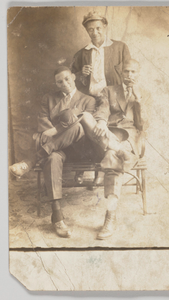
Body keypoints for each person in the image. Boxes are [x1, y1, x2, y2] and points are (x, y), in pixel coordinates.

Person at [9, 66, 135, 239]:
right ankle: (57, 217)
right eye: (59, 82)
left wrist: (61, 126)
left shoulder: (88, 99)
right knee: (53, 157)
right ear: (55, 83)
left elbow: (85, 128)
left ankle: (31, 160)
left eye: (67, 79)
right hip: (57, 149)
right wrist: (62, 128)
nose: (64, 84)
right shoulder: (49, 98)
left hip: (83, 148)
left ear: (74, 77)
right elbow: (43, 125)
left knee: (78, 125)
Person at [94, 59, 152, 240]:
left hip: (131, 137)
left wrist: (139, 100)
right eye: (126, 71)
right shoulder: (109, 90)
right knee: (114, 155)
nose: (129, 75)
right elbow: (102, 109)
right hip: (110, 134)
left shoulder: (145, 94)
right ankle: (110, 216)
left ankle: (110, 215)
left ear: (138, 73)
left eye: (133, 72)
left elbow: (144, 126)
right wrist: (102, 121)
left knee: (113, 156)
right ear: (121, 73)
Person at [71, 11, 131, 98]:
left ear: (105, 26)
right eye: (90, 30)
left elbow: (131, 75)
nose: (95, 33)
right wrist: (81, 74)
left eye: (98, 28)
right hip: (89, 99)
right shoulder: (80, 54)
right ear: (86, 30)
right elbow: (70, 79)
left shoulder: (120, 48)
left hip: (115, 100)